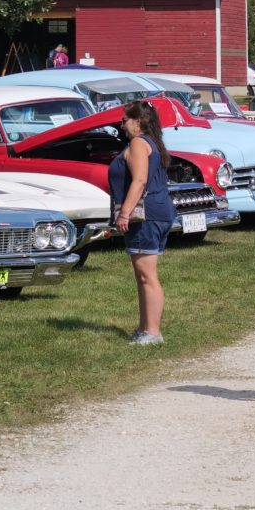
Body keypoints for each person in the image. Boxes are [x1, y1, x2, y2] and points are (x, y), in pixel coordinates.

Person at [109, 100, 176, 345]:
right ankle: (144, 328)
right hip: (159, 210)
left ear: (138, 121)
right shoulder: (152, 142)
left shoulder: (138, 143)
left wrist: (124, 213)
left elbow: (139, 180)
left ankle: (153, 332)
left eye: (124, 120)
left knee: (147, 276)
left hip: (146, 214)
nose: (122, 125)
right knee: (143, 275)